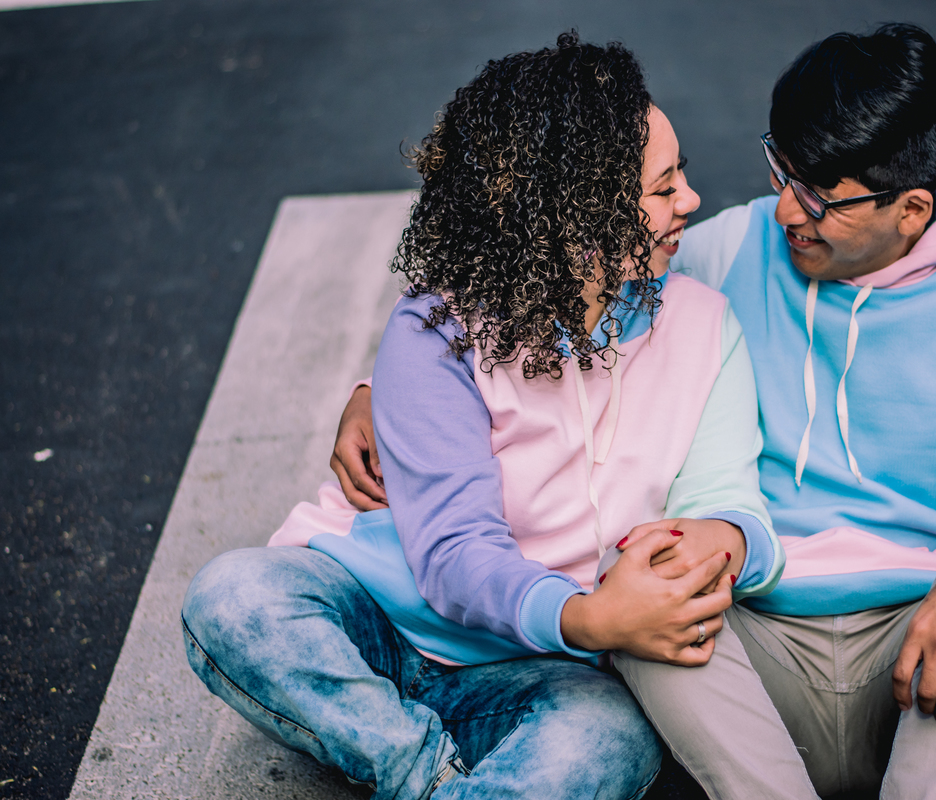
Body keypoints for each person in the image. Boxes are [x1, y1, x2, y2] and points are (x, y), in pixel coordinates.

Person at [336, 21, 936, 800]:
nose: (787, 211)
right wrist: (388, 388)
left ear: (909, 209)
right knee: (642, 580)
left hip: (923, 650)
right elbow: (561, 279)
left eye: (820, 199)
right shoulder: (737, 248)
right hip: (753, 654)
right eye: (781, 172)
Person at [182, 32, 785, 800]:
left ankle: (394, 754)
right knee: (234, 597)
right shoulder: (438, 328)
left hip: (539, 668)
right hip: (379, 618)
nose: (690, 201)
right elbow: (455, 553)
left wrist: (719, 547)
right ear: (575, 218)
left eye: (681, 175)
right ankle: (420, 769)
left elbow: (728, 500)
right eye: (662, 189)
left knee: (609, 739)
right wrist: (589, 619)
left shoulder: (702, 325)